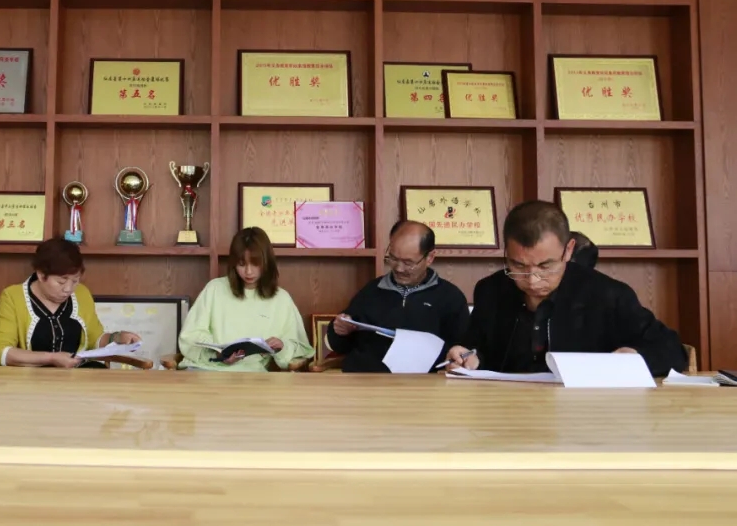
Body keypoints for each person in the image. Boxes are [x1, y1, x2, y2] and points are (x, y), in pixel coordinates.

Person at [444, 200, 687, 377]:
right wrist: (466, 357)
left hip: (585, 413)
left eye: (545, 266)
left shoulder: (607, 295)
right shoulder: (491, 291)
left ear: (568, 250)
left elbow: (672, 350)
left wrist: (632, 356)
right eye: (518, 265)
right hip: (506, 410)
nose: (533, 280)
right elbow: (476, 349)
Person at [328, 221, 470, 372]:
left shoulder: (450, 298)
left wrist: (456, 360)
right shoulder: (371, 291)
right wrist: (340, 331)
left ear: (430, 257)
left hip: (425, 382)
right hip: (367, 379)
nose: (399, 268)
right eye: (393, 258)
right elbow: (340, 346)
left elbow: (463, 351)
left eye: (408, 263)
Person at [0, 238, 140, 367]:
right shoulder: (13, 297)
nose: (68, 289)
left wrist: (117, 338)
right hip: (32, 381)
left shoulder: (82, 293)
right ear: (41, 275)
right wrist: (51, 358)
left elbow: (95, 339)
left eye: (75, 281)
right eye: (61, 282)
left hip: (78, 378)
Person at [177, 227, 314, 371]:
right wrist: (218, 354)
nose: (248, 272)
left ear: (266, 262)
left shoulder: (281, 299)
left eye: (255, 264)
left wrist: (282, 346)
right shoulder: (215, 289)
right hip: (205, 369)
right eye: (242, 264)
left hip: (251, 375)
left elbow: (300, 348)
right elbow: (190, 336)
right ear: (234, 263)